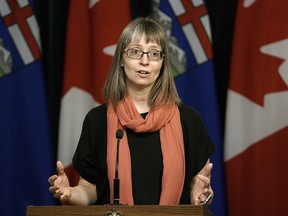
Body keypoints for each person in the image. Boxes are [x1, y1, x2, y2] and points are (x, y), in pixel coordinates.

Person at [48, 17, 215, 206]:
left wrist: (203, 197)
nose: (145, 61)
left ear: (162, 63)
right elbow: (89, 189)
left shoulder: (189, 120)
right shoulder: (97, 120)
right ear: (121, 59)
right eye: (135, 52)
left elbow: (199, 189)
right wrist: (70, 193)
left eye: (154, 54)